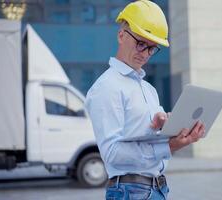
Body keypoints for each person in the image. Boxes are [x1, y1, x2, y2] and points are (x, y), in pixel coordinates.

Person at [85, 1, 205, 199]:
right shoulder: (106, 87)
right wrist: (170, 145)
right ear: (121, 35)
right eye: (141, 44)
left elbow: (143, 139)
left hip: (157, 188)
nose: (145, 54)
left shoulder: (148, 89)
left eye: (152, 48)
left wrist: (164, 128)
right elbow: (112, 153)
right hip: (130, 192)